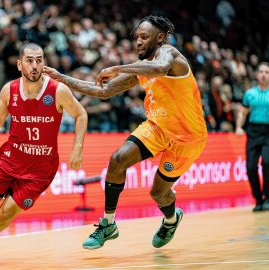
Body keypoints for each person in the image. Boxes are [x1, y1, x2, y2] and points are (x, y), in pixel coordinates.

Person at [44, 15, 207, 249]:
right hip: (157, 128)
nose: (138, 42)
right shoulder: (139, 68)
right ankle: (108, 224)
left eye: (144, 37)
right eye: (137, 38)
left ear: (159, 38)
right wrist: (61, 78)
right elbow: (102, 91)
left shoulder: (169, 54)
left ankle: (171, 220)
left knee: (159, 193)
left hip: (187, 138)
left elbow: (159, 68)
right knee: (118, 159)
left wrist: (117, 67)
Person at [0, 43, 87, 262]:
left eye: (39, 60)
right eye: (30, 60)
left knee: (7, 212)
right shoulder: (10, 89)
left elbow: (81, 114)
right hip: (10, 159)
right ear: (20, 64)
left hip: (40, 170)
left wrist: (77, 148)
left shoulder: (57, 91)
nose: (35, 65)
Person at [235, 62, 269, 212]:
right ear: (257, 75)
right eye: (261, 71)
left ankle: (267, 197)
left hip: (268, 132)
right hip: (254, 132)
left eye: (266, 72)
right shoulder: (250, 94)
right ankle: (258, 199)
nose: (263, 74)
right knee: (250, 167)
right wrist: (238, 127)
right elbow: (242, 112)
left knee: (267, 163)